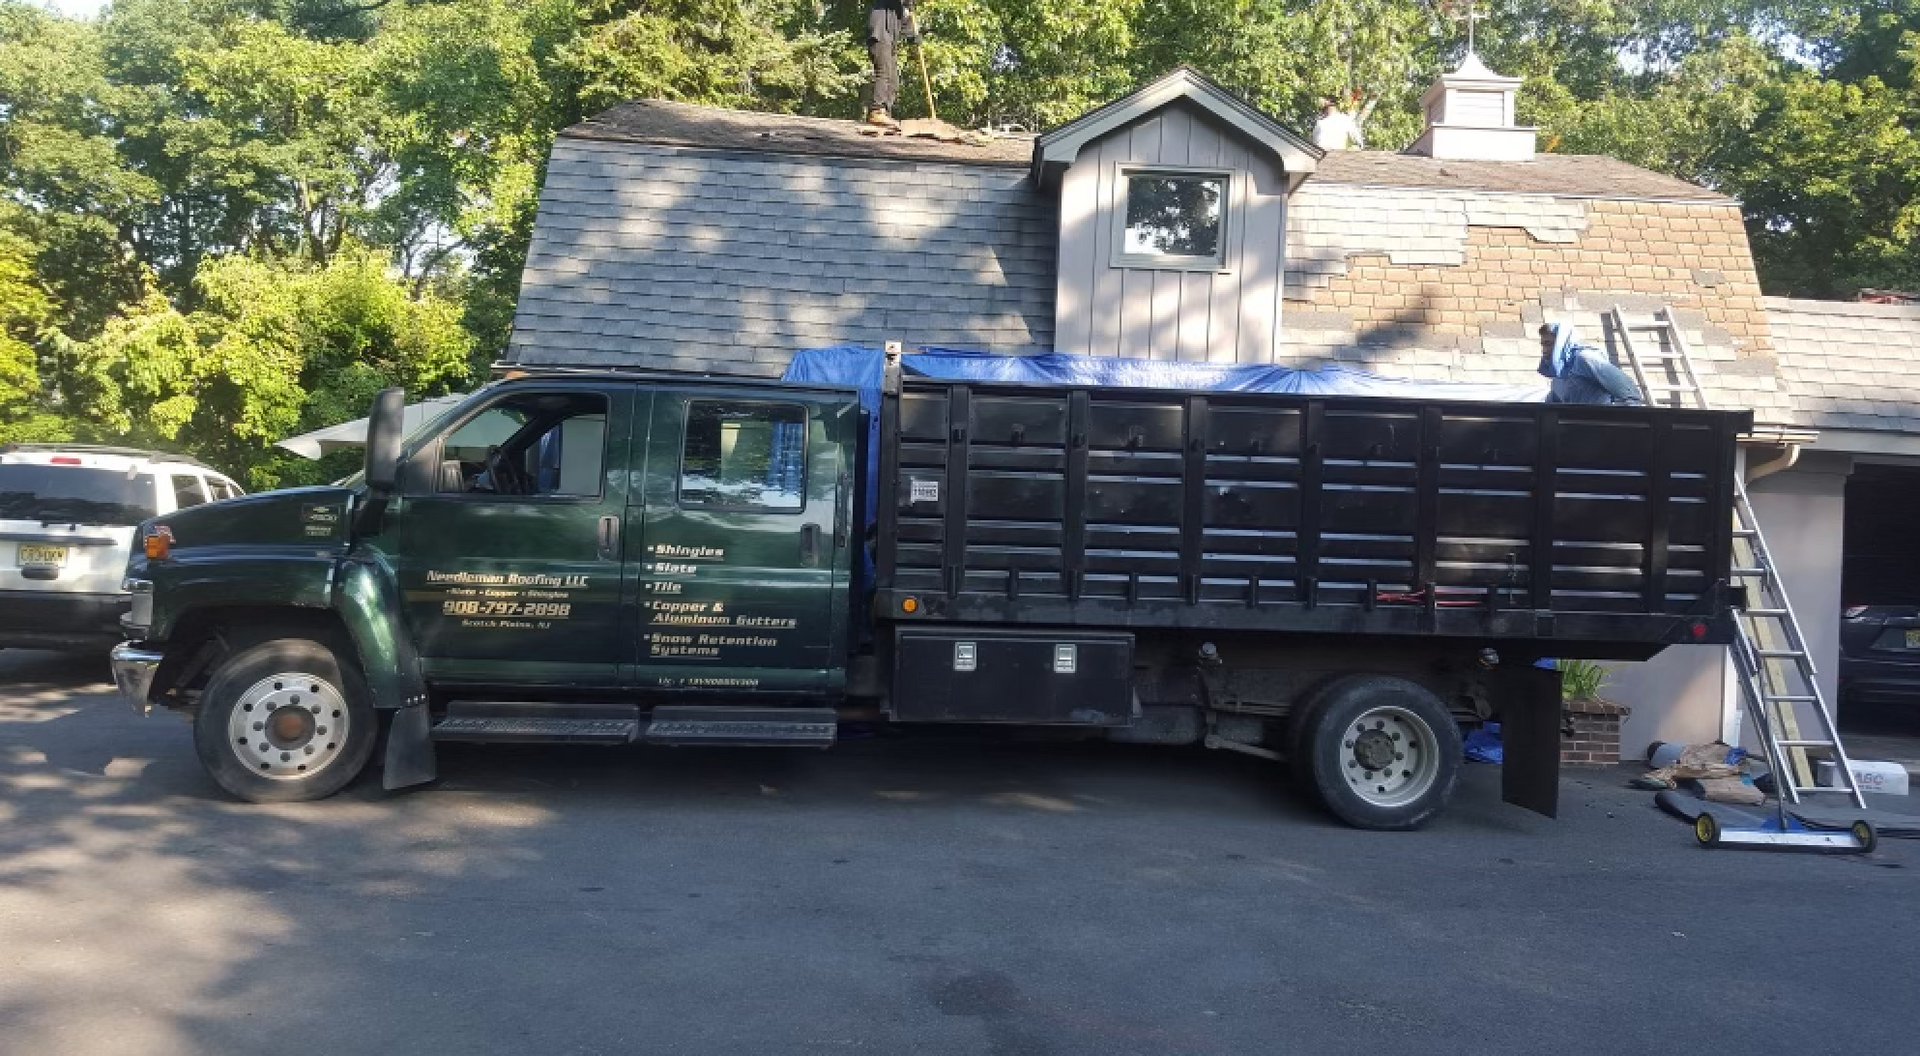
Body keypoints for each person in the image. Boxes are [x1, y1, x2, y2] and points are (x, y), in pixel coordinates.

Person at [1537, 322, 1645, 405]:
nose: (1544, 350)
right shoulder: (1558, 376)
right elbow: (1552, 409)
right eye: (1542, 345)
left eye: (1548, 344)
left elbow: (1631, 394)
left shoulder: (1585, 359)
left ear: (1562, 343)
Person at [867, 0, 916, 129]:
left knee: (894, 81)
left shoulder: (904, 8)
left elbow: (905, 26)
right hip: (880, 35)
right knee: (883, 73)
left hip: (890, 42)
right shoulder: (887, 4)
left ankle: (885, 114)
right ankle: (877, 110)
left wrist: (913, 36)